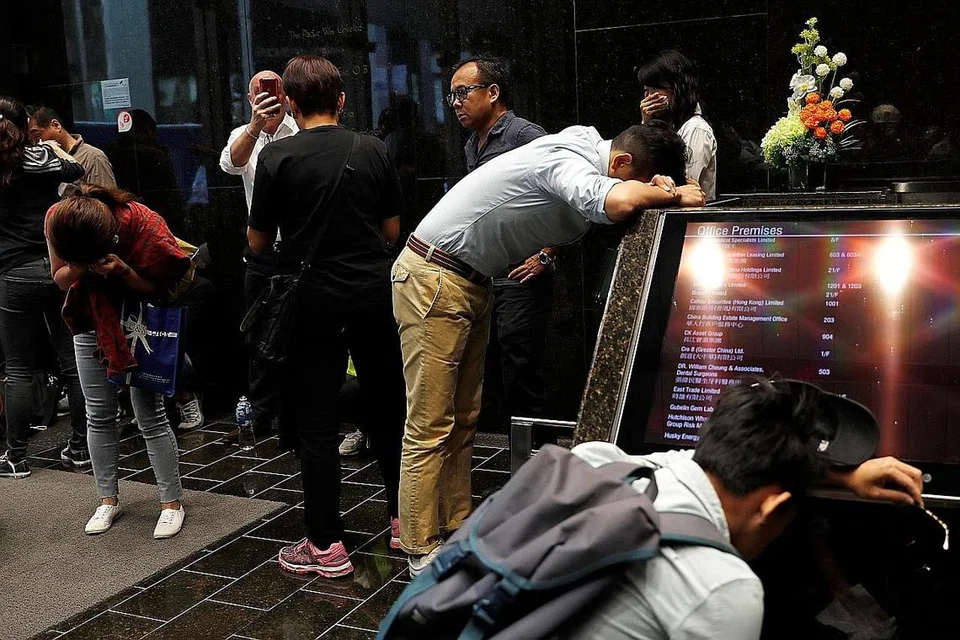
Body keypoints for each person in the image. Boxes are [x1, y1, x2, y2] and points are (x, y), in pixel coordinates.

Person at [394, 120, 705, 576]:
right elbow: (617, 201)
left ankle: (455, 524)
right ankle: (420, 546)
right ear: (619, 163)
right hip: (433, 278)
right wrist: (675, 194)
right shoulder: (567, 161)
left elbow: (622, 191)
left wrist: (656, 187)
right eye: (637, 178)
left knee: (463, 419)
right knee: (430, 422)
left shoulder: (586, 142)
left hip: (467, 280)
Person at [563, 378, 924, 639]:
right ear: (775, 509)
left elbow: (697, 459)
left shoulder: (596, 463)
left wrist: (836, 475)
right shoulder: (722, 590)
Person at [247, 55, 406, 577]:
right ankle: (405, 520)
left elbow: (258, 242)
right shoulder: (374, 149)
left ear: (290, 103)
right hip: (373, 295)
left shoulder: (277, 158)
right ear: (342, 100)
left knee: (316, 422)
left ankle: (326, 545)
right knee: (388, 410)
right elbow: (390, 233)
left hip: (310, 303)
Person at [45, 184, 190, 539]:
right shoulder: (56, 221)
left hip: (140, 319)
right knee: (98, 413)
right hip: (89, 320)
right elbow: (60, 278)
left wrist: (123, 269)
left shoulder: (140, 222)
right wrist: (81, 267)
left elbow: (162, 286)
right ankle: (107, 498)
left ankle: (171, 502)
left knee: (149, 413)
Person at [448, 56, 556, 446]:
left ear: (492, 93)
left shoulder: (524, 135)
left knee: (522, 368)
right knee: (495, 367)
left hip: (522, 272)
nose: (456, 102)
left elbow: (567, 192)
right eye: (451, 96)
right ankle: (519, 456)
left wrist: (546, 253)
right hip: (488, 272)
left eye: (463, 92)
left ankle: (543, 462)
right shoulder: (471, 145)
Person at [0, 96, 89, 478]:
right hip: (56, 267)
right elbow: (76, 167)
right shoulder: (37, 159)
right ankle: (82, 449)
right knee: (73, 360)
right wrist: (44, 147)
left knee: (18, 368)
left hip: (12, 273)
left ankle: (17, 457)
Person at [219, 70, 298, 442]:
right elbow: (231, 165)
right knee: (258, 333)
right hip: (262, 249)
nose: (269, 97)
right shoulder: (242, 134)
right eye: (261, 92)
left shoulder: (301, 130)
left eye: (276, 89)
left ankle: (295, 416)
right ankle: (262, 416)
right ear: (250, 98)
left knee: (299, 333)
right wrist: (254, 126)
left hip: (298, 248)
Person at [637, 50, 718, 200]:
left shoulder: (695, 129)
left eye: (655, 89)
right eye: (646, 91)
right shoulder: (668, 125)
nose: (648, 97)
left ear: (677, 87)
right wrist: (647, 124)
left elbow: (680, 186)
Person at [27, 105, 117, 190]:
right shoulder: (42, 160)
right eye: (30, 139)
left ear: (56, 125)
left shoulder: (92, 157)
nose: (35, 143)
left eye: (37, 135)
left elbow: (106, 200)